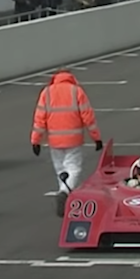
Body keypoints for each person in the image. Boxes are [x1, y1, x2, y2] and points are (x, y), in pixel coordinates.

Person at [30, 70, 103, 217]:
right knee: (74, 168)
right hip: (73, 139)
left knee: (60, 170)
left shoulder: (47, 93)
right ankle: (65, 192)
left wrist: (35, 140)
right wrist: (96, 138)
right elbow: (88, 117)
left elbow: (39, 119)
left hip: (54, 140)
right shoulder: (77, 91)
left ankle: (65, 194)